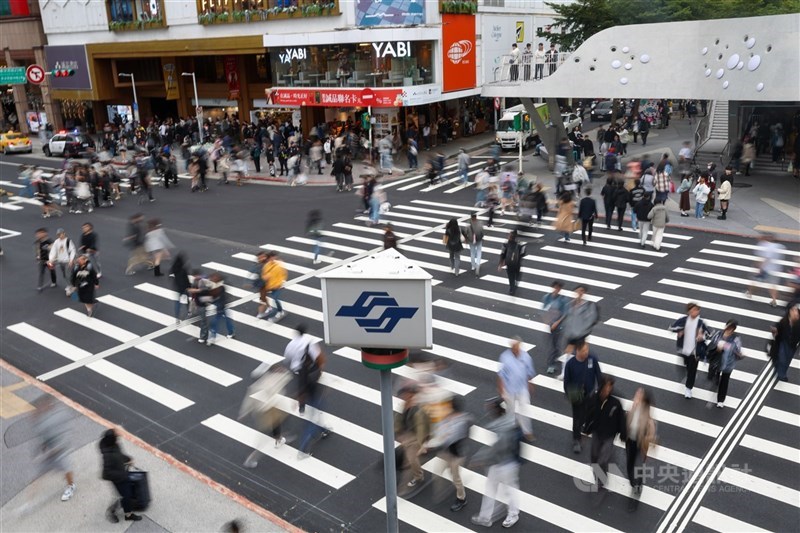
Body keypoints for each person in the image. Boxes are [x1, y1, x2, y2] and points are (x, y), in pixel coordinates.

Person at [470, 398, 521, 529]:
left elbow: (499, 448)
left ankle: (513, 514)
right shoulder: (506, 420)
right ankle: (485, 517)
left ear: (498, 410)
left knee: (508, 490)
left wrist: (480, 459)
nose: (489, 412)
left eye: (491, 409)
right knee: (491, 488)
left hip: (506, 464)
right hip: (499, 462)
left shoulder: (505, 427)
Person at [419, 395, 473, 512]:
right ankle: (441, 493)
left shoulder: (462, 422)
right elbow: (439, 430)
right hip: (446, 452)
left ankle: (462, 499)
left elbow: (448, 438)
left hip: (456, 455)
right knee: (437, 473)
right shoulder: (448, 417)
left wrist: (429, 445)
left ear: (453, 407)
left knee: (455, 477)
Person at [240, 363, 292, 468]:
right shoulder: (273, 379)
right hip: (268, 411)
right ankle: (251, 459)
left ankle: (279, 439)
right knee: (265, 435)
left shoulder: (256, 386)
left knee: (277, 424)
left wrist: (243, 413)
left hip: (268, 410)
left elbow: (248, 402)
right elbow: (287, 375)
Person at [33, 395, 76, 502]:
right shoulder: (42, 418)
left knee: (65, 467)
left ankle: (71, 486)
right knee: (40, 472)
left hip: (60, 449)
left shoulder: (59, 415)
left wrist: (58, 447)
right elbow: (44, 435)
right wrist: (43, 447)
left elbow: (66, 432)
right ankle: (29, 500)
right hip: (50, 450)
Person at [587, 376, 626, 492]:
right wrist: (586, 429)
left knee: (602, 460)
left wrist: (623, 434)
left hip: (609, 436)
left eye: (610, 386)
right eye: (607, 386)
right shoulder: (594, 399)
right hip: (596, 433)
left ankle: (601, 480)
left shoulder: (615, 403)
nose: (608, 389)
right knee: (594, 457)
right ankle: (598, 476)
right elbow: (589, 414)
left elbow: (621, 419)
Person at [563, 340, 602, 453]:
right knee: (577, 419)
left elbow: (599, 375)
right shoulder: (570, 364)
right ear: (577, 351)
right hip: (577, 396)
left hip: (590, 394)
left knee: (589, 414)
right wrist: (569, 395)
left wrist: (601, 390)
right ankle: (576, 439)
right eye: (584, 350)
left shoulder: (592, 359)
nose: (586, 352)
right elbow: (566, 382)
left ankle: (584, 426)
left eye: (587, 349)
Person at [497, 336, 536, 442]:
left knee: (524, 410)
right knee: (510, 411)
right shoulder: (505, 357)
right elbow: (501, 375)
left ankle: (527, 432)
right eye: (513, 347)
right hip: (509, 390)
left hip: (522, 389)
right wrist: (501, 389)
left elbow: (529, 372)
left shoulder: (526, 357)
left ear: (520, 346)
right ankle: (510, 431)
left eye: (517, 346)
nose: (515, 349)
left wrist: (530, 383)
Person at [669, 302, 711, 399]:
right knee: (686, 366)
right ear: (688, 311)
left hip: (695, 351)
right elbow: (671, 327)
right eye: (692, 310)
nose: (695, 312)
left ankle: (688, 388)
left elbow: (709, 334)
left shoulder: (701, 323)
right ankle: (691, 375)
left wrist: (702, 336)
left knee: (692, 370)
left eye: (696, 310)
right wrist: (679, 331)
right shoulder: (683, 320)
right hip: (683, 350)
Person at [100, 429, 142, 522]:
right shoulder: (108, 456)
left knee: (125, 495)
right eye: (116, 437)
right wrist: (122, 475)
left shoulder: (113, 444)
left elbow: (120, 455)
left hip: (122, 475)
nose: (118, 438)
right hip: (119, 479)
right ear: (112, 440)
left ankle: (126, 512)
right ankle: (118, 513)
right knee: (125, 496)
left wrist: (128, 459)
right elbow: (107, 473)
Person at [625, 388, 656, 512]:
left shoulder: (647, 414)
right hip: (630, 442)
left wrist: (647, 448)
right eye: (636, 393)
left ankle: (637, 489)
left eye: (639, 394)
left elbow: (651, 432)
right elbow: (627, 422)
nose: (636, 395)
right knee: (629, 465)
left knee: (637, 467)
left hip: (640, 445)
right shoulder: (633, 408)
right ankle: (635, 483)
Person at [395, 385, 430, 490]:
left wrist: (421, 444)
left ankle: (418, 476)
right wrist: (398, 432)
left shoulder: (418, 409)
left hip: (415, 436)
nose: (403, 397)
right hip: (407, 434)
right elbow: (399, 418)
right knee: (408, 457)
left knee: (412, 459)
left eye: (405, 395)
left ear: (411, 395)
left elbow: (421, 428)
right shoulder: (405, 404)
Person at [746, 233, 786, 308]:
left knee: (755, 282)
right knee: (773, 285)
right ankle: (774, 300)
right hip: (775, 269)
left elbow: (765, 258)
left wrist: (759, 268)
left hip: (766, 269)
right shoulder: (779, 246)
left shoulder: (764, 246)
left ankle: (749, 293)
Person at [709, 319, 743, 408]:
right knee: (715, 377)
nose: (730, 330)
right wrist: (717, 348)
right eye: (729, 327)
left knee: (725, 380)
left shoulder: (736, 339)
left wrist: (738, 353)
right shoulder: (718, 334)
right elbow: (711, 345)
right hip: (717, 361)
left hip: (728, 364)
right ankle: (716, 381)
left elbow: (738, 350)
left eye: (732, 328)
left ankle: (720, 400)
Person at [541, 281, 569, 375]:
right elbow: (543, 310)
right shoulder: (547, 297)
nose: (557, 289)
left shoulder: (563, 300)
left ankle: (551, 364)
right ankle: (554, 359)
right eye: (555, 287)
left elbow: (565, 313)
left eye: (558, 288)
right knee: (554, 344)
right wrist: (547, 321)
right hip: (551, 324)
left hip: (559, 326)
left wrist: (556, 323)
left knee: (554, 345)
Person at [770, 305, 800, 382]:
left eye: (796, 311)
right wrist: (775, 331)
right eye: (793, 311)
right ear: (790, 312)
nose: (795, 313)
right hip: (783, 342)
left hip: (792, 345)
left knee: (787, 360)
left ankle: (780, 371)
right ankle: (781, 375)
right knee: (782, 358)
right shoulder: (784, 321)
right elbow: (777, 327)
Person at [499, 230, 525, 295]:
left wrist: (500, 264)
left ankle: (512, 289)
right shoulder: (519, 245)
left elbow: (502, 254)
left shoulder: (505, 245)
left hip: (509, 263)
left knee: (511, 277)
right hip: (517, 263)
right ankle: (515, 284)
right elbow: (523, 253)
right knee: (517, 274)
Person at [170, 252, 191, 324]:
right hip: (184, 288)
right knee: (187, 300)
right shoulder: (183, 270)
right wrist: (189, 287)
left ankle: (177, 318)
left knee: (177, 303)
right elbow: (186, 280)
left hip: (176, 288)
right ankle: (189, 312)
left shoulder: (174, 268)